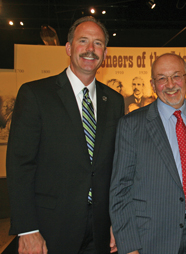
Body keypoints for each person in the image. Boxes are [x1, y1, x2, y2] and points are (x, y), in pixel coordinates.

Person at [6, 16, 124, 253]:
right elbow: (20, 165)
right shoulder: (35, 94)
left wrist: (116, 222)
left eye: (98, 43)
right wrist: (27, 229)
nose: (90, 49)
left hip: (100, 230)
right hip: (50, 229)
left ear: (105, 52)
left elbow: (116, 167)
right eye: (83, 41)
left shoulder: (114, 101)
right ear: (69, 48)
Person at [110, 53, 186, 254]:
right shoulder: (131, 125)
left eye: (176, 76)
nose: (170, 85)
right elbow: (120, 189)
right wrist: (129, 246)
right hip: (152, 238)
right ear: (152, 84)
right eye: (161, 78)